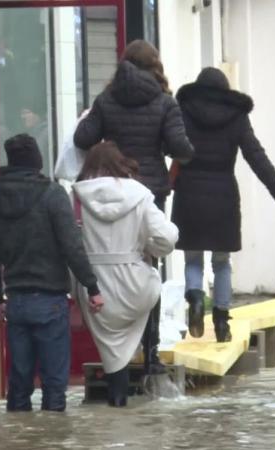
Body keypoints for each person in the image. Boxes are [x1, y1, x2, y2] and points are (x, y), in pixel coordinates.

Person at [74, 39, 193, 371]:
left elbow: (82, 139)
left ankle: (117, 349)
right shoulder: (164, 102)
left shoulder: (107, 99)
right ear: (155, 64)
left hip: (109, 188)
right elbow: (181, 148)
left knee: (112, 265)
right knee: (147, 268)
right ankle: (150, 352)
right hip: (148, 190)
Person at [0, 133, 104, 412]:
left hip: (17, 304)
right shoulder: (52, 195)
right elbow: (72, 245)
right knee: (54, 383)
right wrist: (92, 287)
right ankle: (51, 438)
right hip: (50, 301)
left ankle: (19, 439)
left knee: (19, 382)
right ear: (36, 161)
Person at [171, 67, 275, 342]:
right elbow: (254, 153)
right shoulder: (236, 116)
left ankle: (196, 300)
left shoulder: (184, 111)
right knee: (222, 262)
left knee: (193, 257)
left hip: (189, 193)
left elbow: (171, 145)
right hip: (223, 194)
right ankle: (222, 321)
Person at [72, 142, 179, 407]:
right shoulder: (139, 194)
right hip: (134, 284)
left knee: (111, 351)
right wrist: (148, 247)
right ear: (120, 163)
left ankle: (116, 401)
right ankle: (150, 357)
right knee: (153, 288)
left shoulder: (75, 197)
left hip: (94, 290)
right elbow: (165, 238)